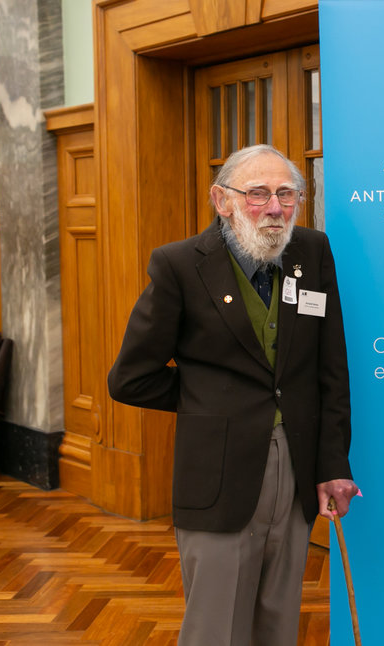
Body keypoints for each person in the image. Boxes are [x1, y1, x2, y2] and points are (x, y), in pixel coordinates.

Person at [108, 144, 358, 646]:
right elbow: (130, 377)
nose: (274, 208)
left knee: (277, 620)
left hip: (297, 468)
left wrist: (334, 464)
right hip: (217, 475)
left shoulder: (312, 251)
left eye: (287, 195)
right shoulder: (180, 265)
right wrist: (210, 400)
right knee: (215, 628)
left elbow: (331, 368)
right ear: (222, 201)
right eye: (258, 194)